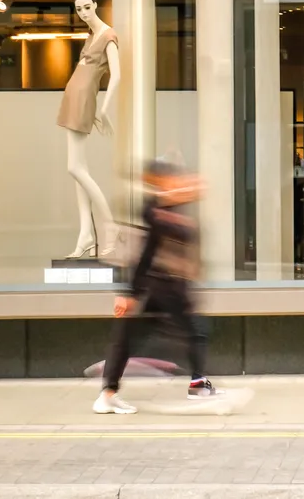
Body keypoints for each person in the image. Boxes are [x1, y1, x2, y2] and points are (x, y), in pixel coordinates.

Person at [93, 160, 221, 415]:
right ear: (160, 181)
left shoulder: (166, 206)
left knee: (188, 332)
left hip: (169, 286)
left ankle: (109, 393)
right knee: (190, 331)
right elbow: (145, 255)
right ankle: (109, 394)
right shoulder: (154, 210)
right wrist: (129, 294)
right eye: (172, 180)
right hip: (157, 286)